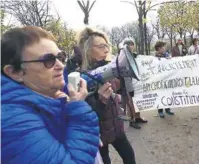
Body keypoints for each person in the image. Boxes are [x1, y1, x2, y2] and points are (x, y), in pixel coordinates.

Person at [1, 26, 100, 164]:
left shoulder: (47, 98)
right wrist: (80, 117)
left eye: (60, 57)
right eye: (48, 60)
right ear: (15, 73)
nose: (61, 65)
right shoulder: (12, 122)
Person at [76, 27, 136, 164]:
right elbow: (85, 114)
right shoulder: (81, 77)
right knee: (105, 160)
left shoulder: (110, 67)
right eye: (101, 46)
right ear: (88, 50)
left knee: (129, 156)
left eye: (107, 46)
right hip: (98, 132)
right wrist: (101, 101)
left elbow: (118, 89)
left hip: (115, 124)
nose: (107, 50)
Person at [121, 38, 148, 129]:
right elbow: (126, 74)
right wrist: (130, 89)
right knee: (130, 103)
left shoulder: (132, 55)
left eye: (132, 44)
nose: (132, 46)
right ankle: (132, 120)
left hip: (136, 83)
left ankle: (137, 116)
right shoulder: (124, 57)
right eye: (130, 45)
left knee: (137, 101)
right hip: (128, 85)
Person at [154, 41, 175, 118]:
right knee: (160, 95)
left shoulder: (166, 55)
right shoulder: (155, 57)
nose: (164, 48)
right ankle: (160, 111)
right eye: (163, 47)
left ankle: (167, 109)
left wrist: (170, 60)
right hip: (159, 79)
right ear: (159, 48)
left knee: (168, 94)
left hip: (167, 78)